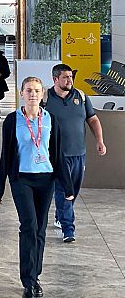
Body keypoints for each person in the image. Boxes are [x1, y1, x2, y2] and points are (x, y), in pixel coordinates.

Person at [0, 77, 75, 298]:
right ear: (21, 92)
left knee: (40, 229)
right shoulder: (12, 120)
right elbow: (6, 156)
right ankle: (28, 280)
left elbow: (58, 155)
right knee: (28, 225)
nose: (33, 94)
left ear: (42, 94)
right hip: (22, 179)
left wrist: (67, 186)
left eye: (37, 91)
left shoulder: (50, 119)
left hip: (45, 179)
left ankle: (35, 275)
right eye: (29, 90)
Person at [43, 64, 106, 243]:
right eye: (65, 77)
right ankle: (68, 228)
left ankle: (59, 215)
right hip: (56, 155)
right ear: (55, 79)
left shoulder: (81, 97)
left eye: (71, 77)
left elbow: (93, 119)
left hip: (79, 153)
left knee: (74, 189)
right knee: (64, 191)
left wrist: (99, 141)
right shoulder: (46, 98)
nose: (70, 80)